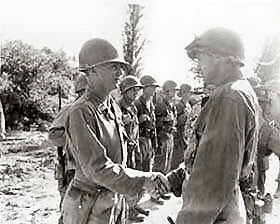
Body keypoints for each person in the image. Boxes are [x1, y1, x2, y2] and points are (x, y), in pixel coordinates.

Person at [60, 38, 170, 224]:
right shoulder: (82, 111)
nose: (120, 72)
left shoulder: (111, 105)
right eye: (112, 67)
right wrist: (144, 179)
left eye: (120, 67)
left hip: (111, 198)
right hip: (87, 205)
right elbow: (98, 168)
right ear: (91, 71)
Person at [167, 28, 259, 224]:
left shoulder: (229, 97)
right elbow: (210, 157)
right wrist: (178, 176)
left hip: (215, 215)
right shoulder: (239, 91)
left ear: (217, 56)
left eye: (200, 58)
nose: (198, 66)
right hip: (223, 208)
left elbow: (215, 177)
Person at [48, 74, 88, 224]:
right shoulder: (71, 110)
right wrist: (77, 133)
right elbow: (53, 136)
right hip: (73, 171)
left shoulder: (94, 111)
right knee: (70, 214)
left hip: (89, 171)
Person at [118, 75, 146, 222]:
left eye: (138, 90)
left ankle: (132, 206)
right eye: (132, 90)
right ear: (124, 91)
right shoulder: (117, 108)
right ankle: (126, 212)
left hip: (134, 149)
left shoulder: (133, 107)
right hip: (123, 152)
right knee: (125, 181)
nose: (136, 93)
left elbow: (135, 128)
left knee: (134, 179)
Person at [135, 75, 159, 172]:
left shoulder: (151, 104)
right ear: (144, 88)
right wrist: (138, 121)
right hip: (140, 141)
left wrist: (154, 143)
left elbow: (153, 125)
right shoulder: (137, 104)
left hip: (149, 140)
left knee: (148, 168)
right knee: (140, 170)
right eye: (152, 87)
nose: (154, 90)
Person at [154, 80, 177, 175]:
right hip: (162, 137)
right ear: (167, 91)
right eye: (173, 90)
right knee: (161, 165)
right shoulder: (161, 104)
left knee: (167, 165)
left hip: (170, 135)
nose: (175, 92)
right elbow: (155, 122)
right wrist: (165, 119)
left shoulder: (171, 105)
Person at [171, 84, 192, 170]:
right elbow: (175, 121)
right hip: (178, 137)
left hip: (185, 136)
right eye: (189, 92)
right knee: (176, 161)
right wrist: (184, 116)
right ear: (184, 93)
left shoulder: (188, 105)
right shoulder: (178, 105)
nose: (190, 94)